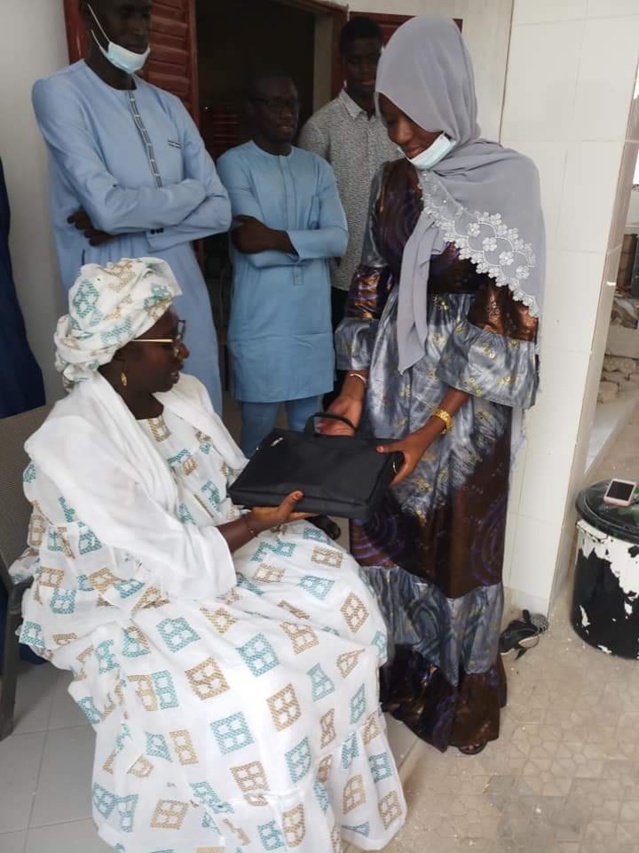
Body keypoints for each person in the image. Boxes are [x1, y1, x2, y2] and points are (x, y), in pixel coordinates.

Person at [10, 257, 406, 853]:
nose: (185, 354)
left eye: (181, 336)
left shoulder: (184, 395)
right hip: (128, 590)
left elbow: (232, 478)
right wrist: (255, 521)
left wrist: (302, 486)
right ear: (121, 356)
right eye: (171, 342)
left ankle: (337, 798)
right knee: (256, 685)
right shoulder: (74, 441)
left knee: (344, 593)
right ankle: (265, 820)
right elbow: (155, 559)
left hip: (217, 539)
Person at [326, 16, 545, 755]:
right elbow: (368, 282)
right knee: (387, 536)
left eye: (406, 112)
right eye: (385, 114)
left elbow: (505, 319)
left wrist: (431, 427)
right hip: (388, 386)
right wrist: (354, 384)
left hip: (464, 413)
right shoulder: (392, 181)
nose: (397, 132)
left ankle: (455, 694)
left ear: (444, 92)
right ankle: (394, 672)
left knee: (454, 548)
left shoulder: (507, 178)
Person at [32, 0, 230, 412]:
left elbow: (220, 210)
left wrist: (142, 224)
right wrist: (191, 191)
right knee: (125, 418)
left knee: (198, 403)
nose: (140, 27)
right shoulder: (59, 93)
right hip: (111, 292)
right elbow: (108, 210)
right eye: (125, 12)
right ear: (89, 16)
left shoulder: (170, 106)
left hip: (182, 282)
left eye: (144, 13)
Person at [216, 74, 347, 458]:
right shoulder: (233, 164)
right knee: (258, 431)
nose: (287, 113)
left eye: (292, 103)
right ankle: (255, 514)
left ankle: (305, 512)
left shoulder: (318, 169)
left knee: (310, 428)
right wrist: (311, 242)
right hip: (261, 323)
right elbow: (250, 246)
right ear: (251, 110)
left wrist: (273, 236)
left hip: (311, 324)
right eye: (274, 104)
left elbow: (339, 239)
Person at [299, 17, 398, 402]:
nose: (366, 70)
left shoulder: (398, 121)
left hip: (397, 273)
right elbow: (307, 212)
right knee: (342, 380)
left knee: (390, 373)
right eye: (357, 61)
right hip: (343, 281)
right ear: (343, 63)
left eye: (374, 59)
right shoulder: (320, 128)